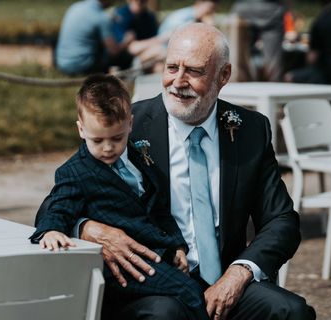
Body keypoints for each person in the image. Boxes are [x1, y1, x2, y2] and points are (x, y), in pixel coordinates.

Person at [69, 24, 315, 320]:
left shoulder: (250, 129)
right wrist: (86, 227)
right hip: (155, 285)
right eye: (172, 67)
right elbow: (63, 194)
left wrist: (239, 272)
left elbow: (281, 220)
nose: (178, 81)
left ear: (223, 76)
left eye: (194, 71)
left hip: (225, 282)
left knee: (291, 311)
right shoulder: (126, 127)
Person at [31, 74, 207, 319]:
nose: (107, 148)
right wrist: (50, 230)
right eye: (97, 140)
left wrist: (177, 245)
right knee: (189, 292)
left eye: (117, 138)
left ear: (130, 125)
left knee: (188, 292)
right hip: (121, 269)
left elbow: (159, 209)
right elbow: (58, 207)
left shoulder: (139, 157)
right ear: (81, 129)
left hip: (158, 256)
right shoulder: (75, 172)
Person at [126, 0, 219, 70]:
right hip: (162, 50)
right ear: (199, 3)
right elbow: (168, 38)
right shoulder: (185, 17)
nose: (212, 12)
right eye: (210, 8)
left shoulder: (196, 19)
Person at [55, 0, 130, 75]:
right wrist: (126, 41)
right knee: (123, 58)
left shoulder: (74, 7)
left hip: (62, 64)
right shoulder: (102, 18)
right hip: (82, 66)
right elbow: (113, 51)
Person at [112, 0, 159, 68]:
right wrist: (161, 38)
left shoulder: (150, 17)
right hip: (122, 62)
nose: (136, 2)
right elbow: (130, 48)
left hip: (144, 57)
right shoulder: (120, 15)